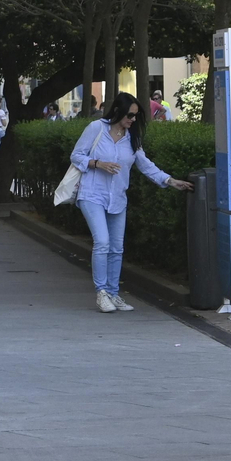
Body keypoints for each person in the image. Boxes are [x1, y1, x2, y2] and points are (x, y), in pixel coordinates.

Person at [70, 92, 194, 313]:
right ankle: (101, 293)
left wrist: (170, 181)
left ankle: (113, 293)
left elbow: (146, 165)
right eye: (130, 115)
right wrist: (98, 163)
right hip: (92, 194)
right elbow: (76, 155)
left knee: (117, 248)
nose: (133, 120)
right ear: (118, 111)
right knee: (103, 242)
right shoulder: (96, 129)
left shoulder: (131, 138)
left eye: (136, 116)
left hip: (117, 197)